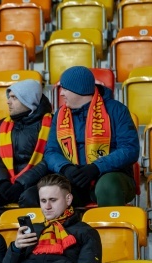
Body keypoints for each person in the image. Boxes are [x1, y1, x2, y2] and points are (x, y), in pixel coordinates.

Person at [44, 66, 139, 207]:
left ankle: (109, 228)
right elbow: (51, 151)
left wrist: (96, 168)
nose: (61, 94)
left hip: (113, 177)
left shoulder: (116, 110)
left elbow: (130, 149)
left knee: (107, 185)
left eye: (65, 89)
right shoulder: (59, 115)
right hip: (75, 178)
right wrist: (66, 168)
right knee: (48, 191)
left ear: (79, 90)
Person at [0, 79, 53, 220]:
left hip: (37, 182)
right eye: (9, 97)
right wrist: (2, 182)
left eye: (14, 97)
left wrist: (21, 184)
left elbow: (48, 160)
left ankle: (33, 236)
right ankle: (1, 234)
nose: (8, 102)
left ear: (28, 100)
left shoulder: (50, 123)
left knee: (29, 197)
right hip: (7, 180)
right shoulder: (4, 124)